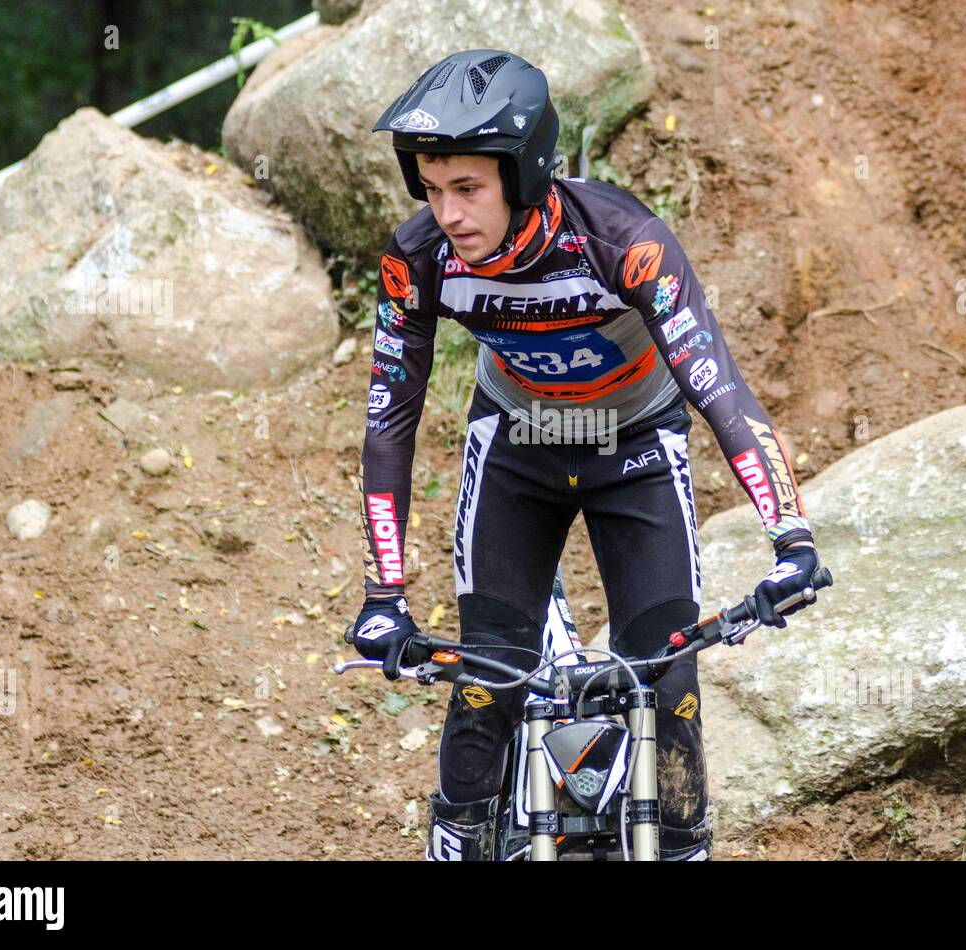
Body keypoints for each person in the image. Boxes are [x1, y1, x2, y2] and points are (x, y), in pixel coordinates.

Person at [349, 49, 824, 861]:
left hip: (634, 446)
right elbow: (392, 416)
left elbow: (720, 389)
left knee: (666, 678)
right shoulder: (417, 259)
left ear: (524, 174)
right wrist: (382, 591)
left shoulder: (625, 244)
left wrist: (793, 539)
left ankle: (680, 845)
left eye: (467, 188)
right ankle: (458, 839)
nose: (449, 214)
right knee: (488, 678)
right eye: (432, 190)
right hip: (517, 448)